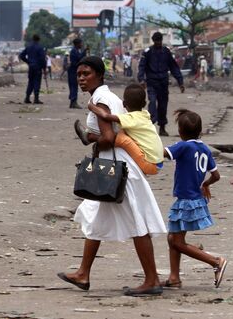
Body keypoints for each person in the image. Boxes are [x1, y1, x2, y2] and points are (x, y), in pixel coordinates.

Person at [57, 56, 167, 296]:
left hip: (117, 170)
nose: (82, 78)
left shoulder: (101, 100)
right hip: (115, 166)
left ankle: (152, 279)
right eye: (79, 74)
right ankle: (83, 273)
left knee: (138, 222)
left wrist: (89, 138)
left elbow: (108, 138)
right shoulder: (107, 97)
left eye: (86, 73)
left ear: (99, 75)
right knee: (94, 216)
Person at [163, 109, 227, 289]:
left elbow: (164, 153)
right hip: (195, 199)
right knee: (172, 238)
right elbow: (216, 176)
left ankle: (215, 261)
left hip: (186, 200)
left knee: (177, 241)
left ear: (181, 132)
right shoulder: (204, 149)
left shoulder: (184, 146)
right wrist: (205, 184)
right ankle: (174, 278)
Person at [82, 83, 164, 175]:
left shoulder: (130, 118)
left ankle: (90, 137)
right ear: (144, 104)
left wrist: (91, 106)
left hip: (150, 164)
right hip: (158, 163)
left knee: (118, 136)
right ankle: (97, 146)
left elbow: (105, 115)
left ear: (124, 104)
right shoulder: (145, 115)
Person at [138, 32, 185, 137]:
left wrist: (180, 81)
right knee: (152, 103)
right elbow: (142, 66)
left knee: (163, 107)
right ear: (153, 41)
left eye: (159, 41)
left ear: (161, 40)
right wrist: (141, 79)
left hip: (163, 83)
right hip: (152, 83)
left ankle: (162, 128)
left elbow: (173, 67)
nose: (158, 43)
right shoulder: (148, 52)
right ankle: (150, 125)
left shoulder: (166, 52)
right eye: (156, 41)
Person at [19, 34, 46, 104]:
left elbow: (21, 55)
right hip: (38, 67)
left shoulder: (28, 47)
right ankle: (36, 98)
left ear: (33, 39)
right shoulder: (40, 48)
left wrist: (28, 62)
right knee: (37, 82)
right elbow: (43, 59)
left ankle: (27, 97)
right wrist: (44, 68)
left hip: (31, 67)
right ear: (39, 39)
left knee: (30, 82)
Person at [68, 38, 87, 109]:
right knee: (73, 86)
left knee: (74, 86)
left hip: (75, 71)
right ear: (77, 44)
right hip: (73, 71)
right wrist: (84, 51)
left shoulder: (76, 51)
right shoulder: (74, 51)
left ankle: (73, 102)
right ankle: (73, 102)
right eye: (80, 43)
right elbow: (79, 58)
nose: (81, 45)